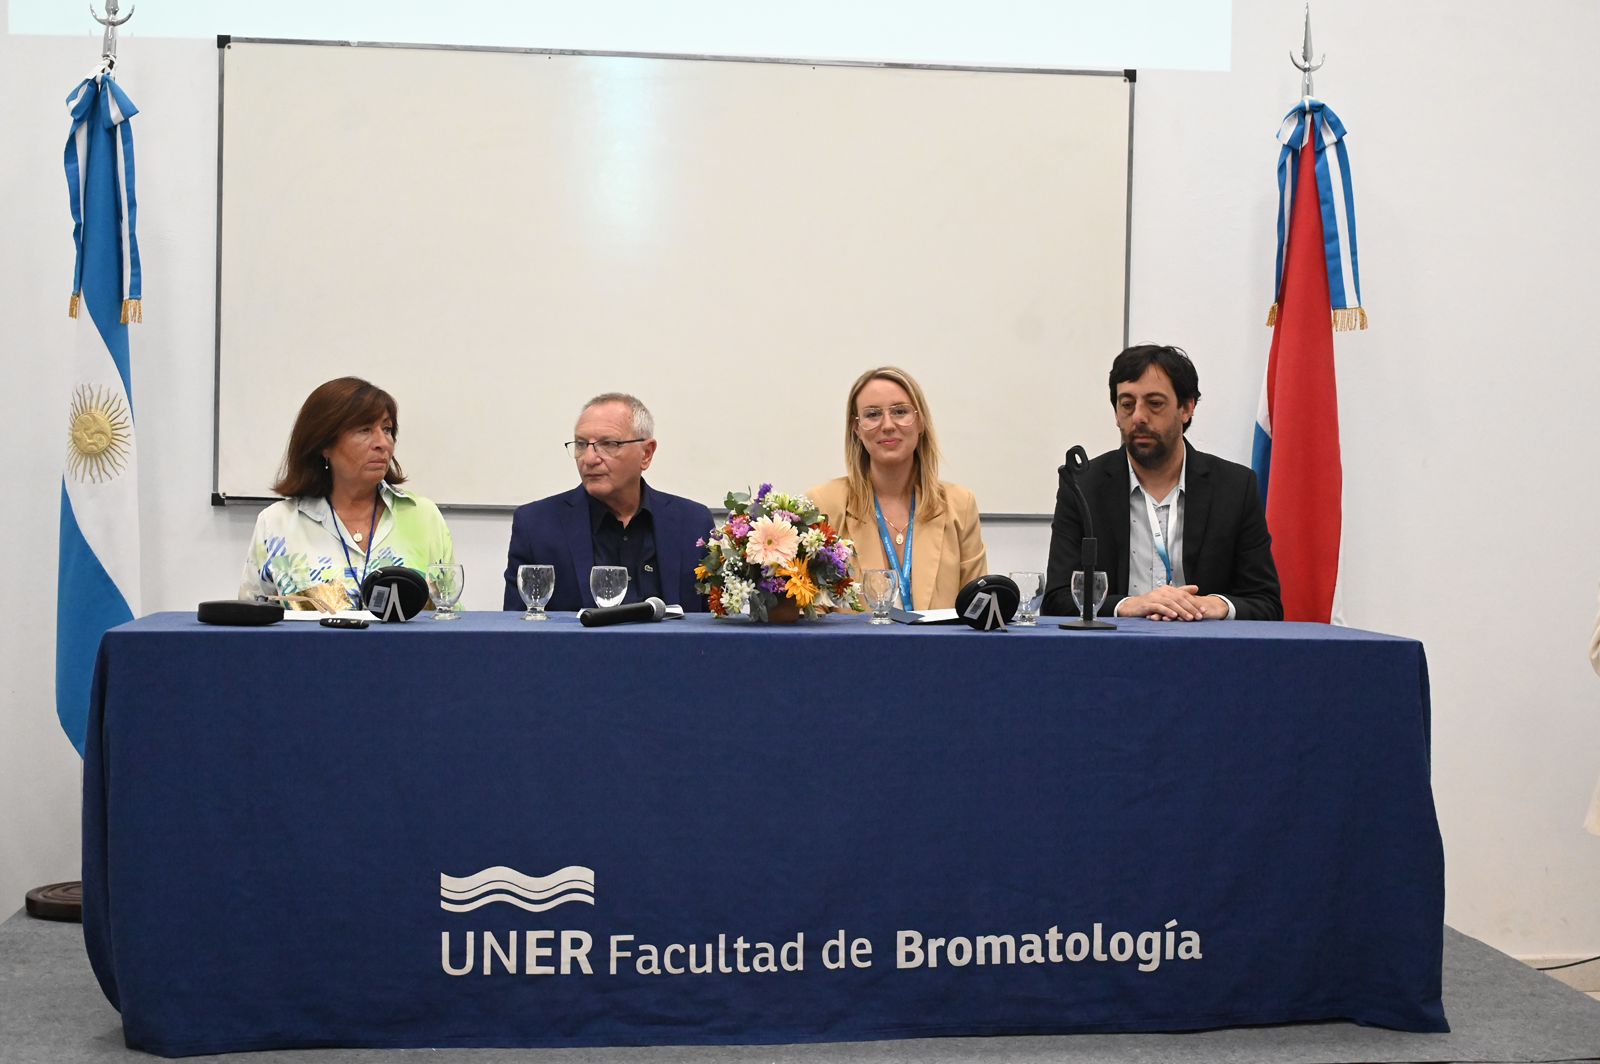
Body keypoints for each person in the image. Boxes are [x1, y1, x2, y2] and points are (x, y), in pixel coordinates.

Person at [1042, 344, 1282, 621]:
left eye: (1154, 403)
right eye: (1127, 405)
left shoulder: (1234, 488)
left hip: (1202, 642)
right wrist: (1128, 605)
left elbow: (1267, 604)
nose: (1138, 417)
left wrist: (1218, 605)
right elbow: (1057, 600)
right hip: (1116, 644)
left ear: (1187, 408)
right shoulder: (1083, 486)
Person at [240, 377, 455, 608]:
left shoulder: (424, 516)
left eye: (387, 429)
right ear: (324, 444)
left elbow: (449, 613)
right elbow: (252, 621)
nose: (383, 443)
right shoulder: (276, 524)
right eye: (365, 430)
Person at [502, 393, 713, 612]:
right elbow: (515, 626)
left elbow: (713, 624)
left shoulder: (693, 523)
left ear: (646, 454)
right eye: (581, 444)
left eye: (609, 444)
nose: (589, 459)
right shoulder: (536, 526)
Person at [809, 367, 988, 612]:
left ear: (921, 421)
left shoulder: (960, 505)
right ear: (856, 428)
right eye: (873, 414)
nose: (888, 425)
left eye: (900, 411)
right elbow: (812, 616)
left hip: (938, 639)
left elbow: (978, 611)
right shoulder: (824, 505)